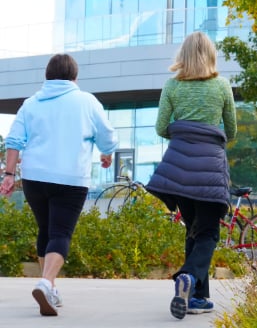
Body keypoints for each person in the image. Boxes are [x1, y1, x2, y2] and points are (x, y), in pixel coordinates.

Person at [0, 54, 117, 317]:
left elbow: (14, 140)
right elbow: (106, 134)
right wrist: (106, 152)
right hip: (70, 178)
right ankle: (45, 282)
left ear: (47, 76)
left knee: (46, 230)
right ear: (74, 77)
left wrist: (9, 174)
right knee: (61, 233)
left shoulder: (30, 104)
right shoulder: (86, 101)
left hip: (34, 178)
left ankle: (49, 286)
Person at [145, 31, 237, 319]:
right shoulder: (222, 86)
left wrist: (182, 129)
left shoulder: (172, 86)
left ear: (182, 56)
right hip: (209, 169)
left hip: (179, 173)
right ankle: (189, 278)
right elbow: (231, 130)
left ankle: (197, 298)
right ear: (210, 55)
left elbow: (161, 128)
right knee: (208, 231)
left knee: (193, 229)